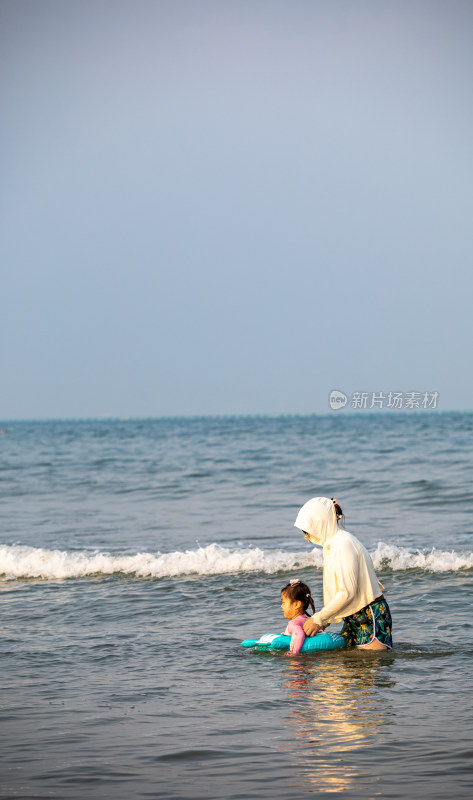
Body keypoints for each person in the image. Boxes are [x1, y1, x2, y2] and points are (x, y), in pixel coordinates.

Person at [294, 497, 392, 650]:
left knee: (370, 666)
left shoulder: (342, 544)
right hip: (352, 615)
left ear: (321, 522)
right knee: (348, 667)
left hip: (369, 615)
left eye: (308, 531)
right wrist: (324, 621)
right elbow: (340, 592)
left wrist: (319, 618)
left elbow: (348, 592)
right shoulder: (331, 545)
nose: (307, 537)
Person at [280, 578, 316, 654]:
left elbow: (299, 634)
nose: (281, 606)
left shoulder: (293, 623)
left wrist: (294, 653)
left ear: (297, 604)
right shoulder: (308, 620)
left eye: (283, 602)